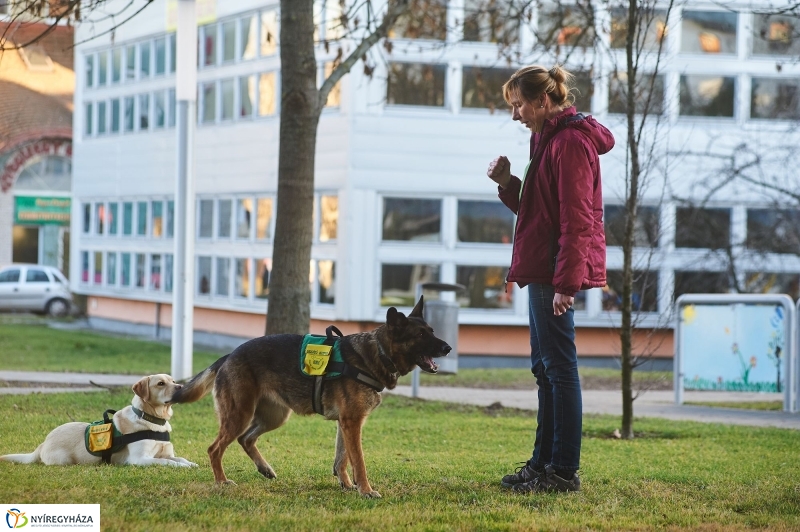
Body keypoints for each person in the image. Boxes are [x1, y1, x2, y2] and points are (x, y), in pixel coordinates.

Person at [486, 65, 615, 493]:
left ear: (543, 101)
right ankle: (542, 464)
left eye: (519, 104)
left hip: (554, 271)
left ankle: (561, 472)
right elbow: (539, 210)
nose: (515, 114)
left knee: (559, 370)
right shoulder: (545, 137)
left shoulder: (571, 143)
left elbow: (578, 221)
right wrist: (508, 183)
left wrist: (566, 283)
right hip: (544, 267)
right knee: (544, 369)